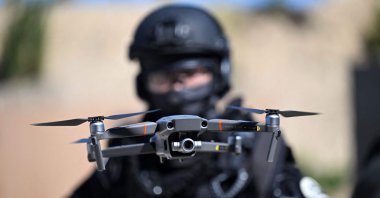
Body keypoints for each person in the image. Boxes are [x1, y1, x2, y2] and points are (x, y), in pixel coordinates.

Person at [72, 4, 326, 198]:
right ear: (143, 82)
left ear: (219, 75)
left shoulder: (258, 150)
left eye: (191, 73)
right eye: (163, 76)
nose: (178, 86)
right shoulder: (126, 155)